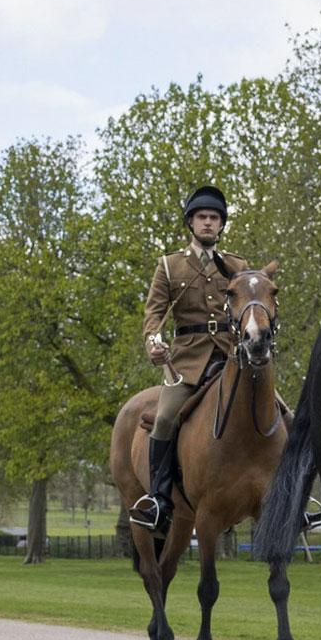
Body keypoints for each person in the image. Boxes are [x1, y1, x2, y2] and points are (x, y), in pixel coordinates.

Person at [133, 186, 248, 536]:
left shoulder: (237, 266)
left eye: (215, 218)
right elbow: (153, 314)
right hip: (187, 359)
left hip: (231, 355)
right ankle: (158, 500)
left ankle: (294, 497)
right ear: (191, 223)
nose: (209, 223)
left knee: (281, 412)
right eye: (203, 218)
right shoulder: (169, 265)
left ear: (221, 225)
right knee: (166, 417)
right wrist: (155, 343)